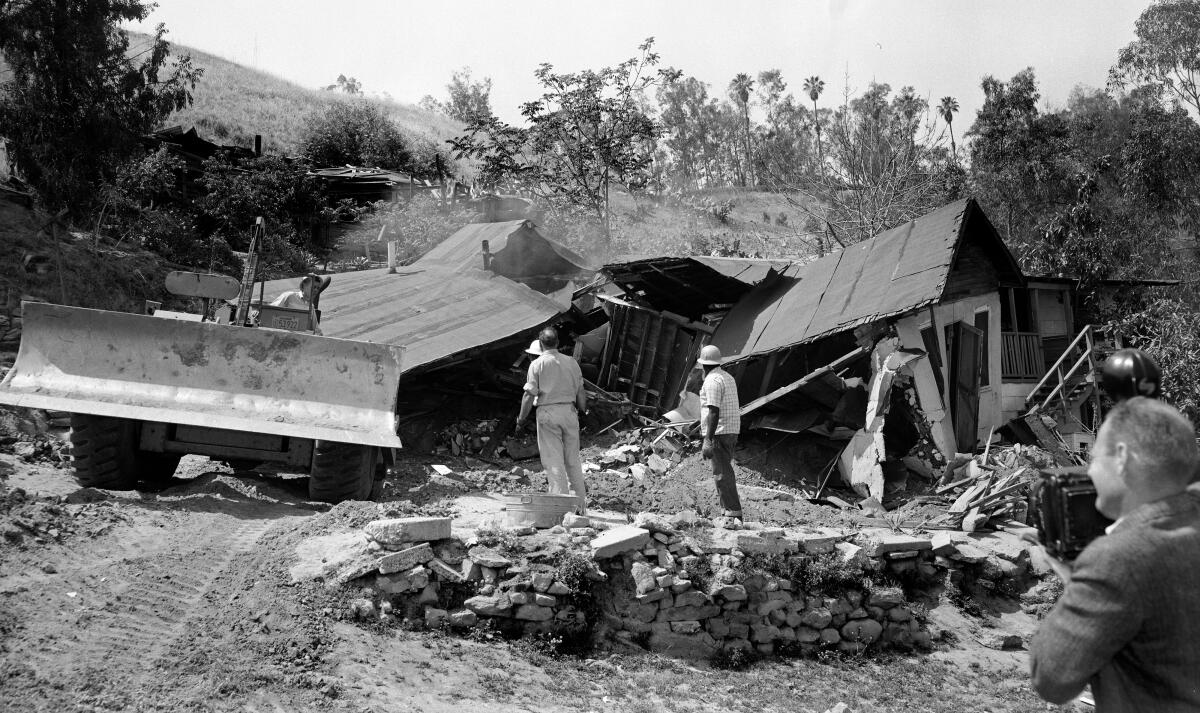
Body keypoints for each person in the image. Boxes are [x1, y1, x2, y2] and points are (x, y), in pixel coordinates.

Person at [1029, 396, 1200, 711]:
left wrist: (1075, 580)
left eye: (1093, 459)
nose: (1089, 472)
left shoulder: (1116, 558)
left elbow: (1051, 678)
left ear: (1121, 457)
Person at [516, 327, 589, 514]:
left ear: (541, 344)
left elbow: (528, 395)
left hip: (548, 413)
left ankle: (561, 509)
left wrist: (521, 419)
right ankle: (580, 508)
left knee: (554, 460)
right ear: (557, 342)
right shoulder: (572, 362)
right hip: (570, 411)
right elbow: (581, 392)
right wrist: (582, 410)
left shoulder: (537, 364)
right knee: (573, 459)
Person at [697, 344, 743, 521]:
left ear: (704, 364)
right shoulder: (727, 377)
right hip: (731, 430)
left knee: (721, 473)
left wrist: (708, 440)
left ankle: (732, 515)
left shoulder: (712, 380)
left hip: (719, 432)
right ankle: (728, 513)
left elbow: (714, 411)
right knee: (724, 471)